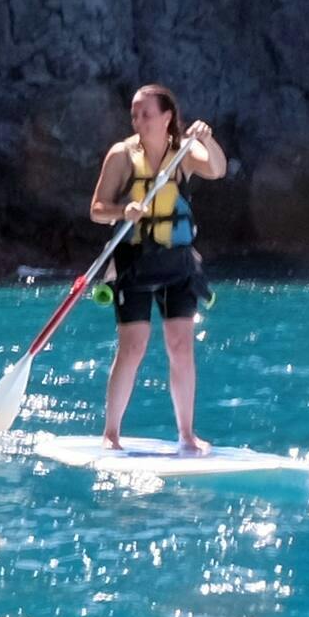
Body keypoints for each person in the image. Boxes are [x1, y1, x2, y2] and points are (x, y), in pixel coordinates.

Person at [88, 84, 231, 450]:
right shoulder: (122, 155)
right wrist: (124, 211)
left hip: (177, 262)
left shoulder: (184, 152)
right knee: (133, 347)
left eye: (145, 114)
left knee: (181, 344)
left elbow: (217, 169)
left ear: (167, 117)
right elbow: (98, 209)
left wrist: (207, 139)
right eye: (134, 114)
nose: (138, 120)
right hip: (134, 263)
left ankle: (186, 435)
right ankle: (111, 434)